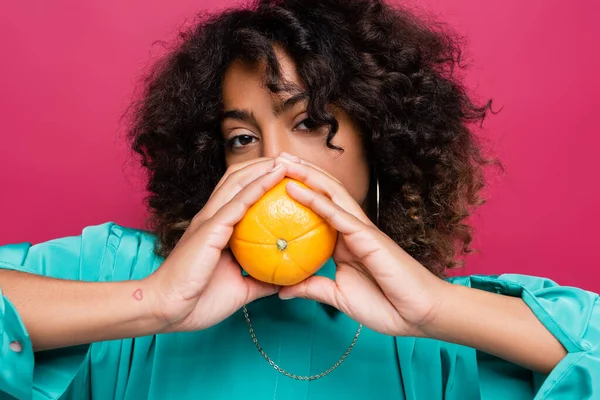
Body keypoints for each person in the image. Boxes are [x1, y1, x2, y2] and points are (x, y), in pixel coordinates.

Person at [1, 0, 598, 398]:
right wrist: (152, 303)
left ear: (380, 138)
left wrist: (437, 309)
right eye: (242, 138)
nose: (274, 162)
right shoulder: (117, 275)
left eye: (310, 122)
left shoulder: (445, 341)